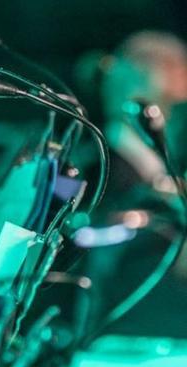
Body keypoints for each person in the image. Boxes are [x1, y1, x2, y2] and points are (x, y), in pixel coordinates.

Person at [79, 31, 187, 339]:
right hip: (129, 342)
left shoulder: (161, 173)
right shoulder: (94, 169)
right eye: (175, 104)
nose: (180, 116)